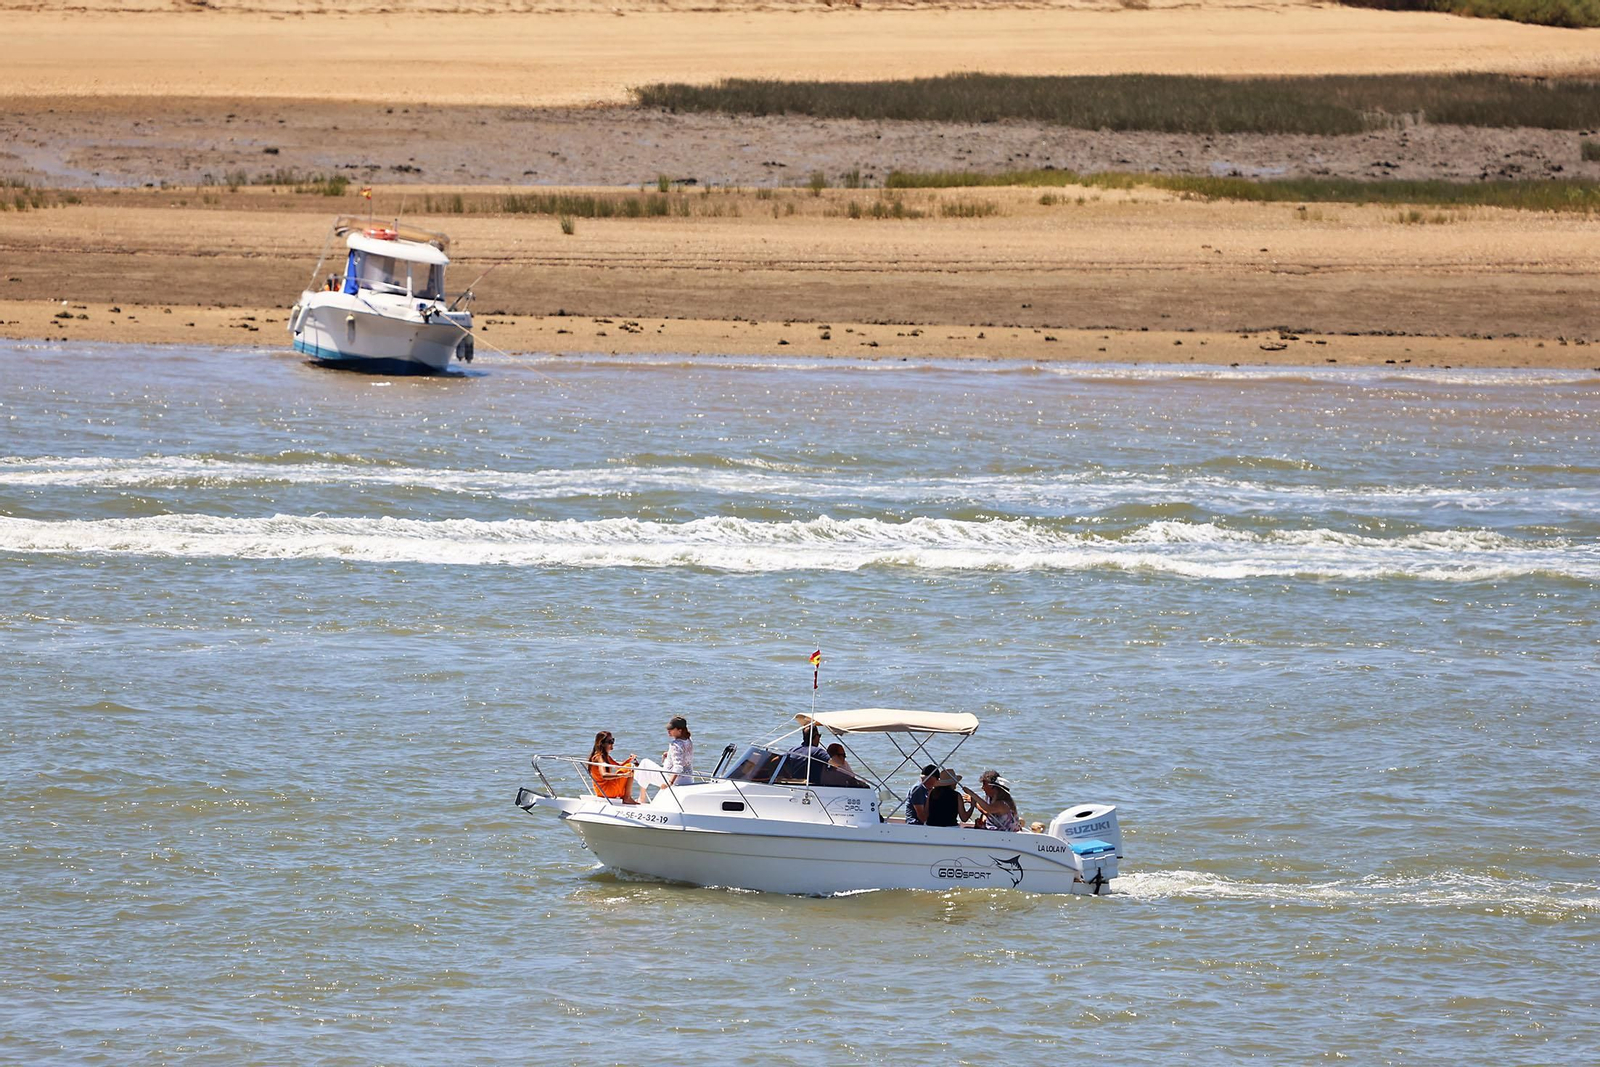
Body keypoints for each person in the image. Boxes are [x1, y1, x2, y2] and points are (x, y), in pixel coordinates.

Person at [588, 730, 643, 805]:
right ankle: (627, 798)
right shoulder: (599, 757)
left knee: (629, 766)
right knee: (630, 767)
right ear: (602, 743)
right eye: (609, 741)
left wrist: (630, 759)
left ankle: (626, 797)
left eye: (612, 740)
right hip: (606, 790)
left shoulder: (605, 756)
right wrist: (622, 775)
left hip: (600, 791)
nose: (612, 743)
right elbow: (604, 775)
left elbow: (619, 766)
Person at [655, 715, 695, 797]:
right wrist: (669, 754)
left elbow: (678, 767)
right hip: (688, 779)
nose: (668, 731)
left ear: (679, 730)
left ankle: (641, 798)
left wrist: (669, 783)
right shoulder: (689, 740)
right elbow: (684, 755)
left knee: (645, 763)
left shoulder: (675, 744)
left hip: (673, 779)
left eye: (671, 729)